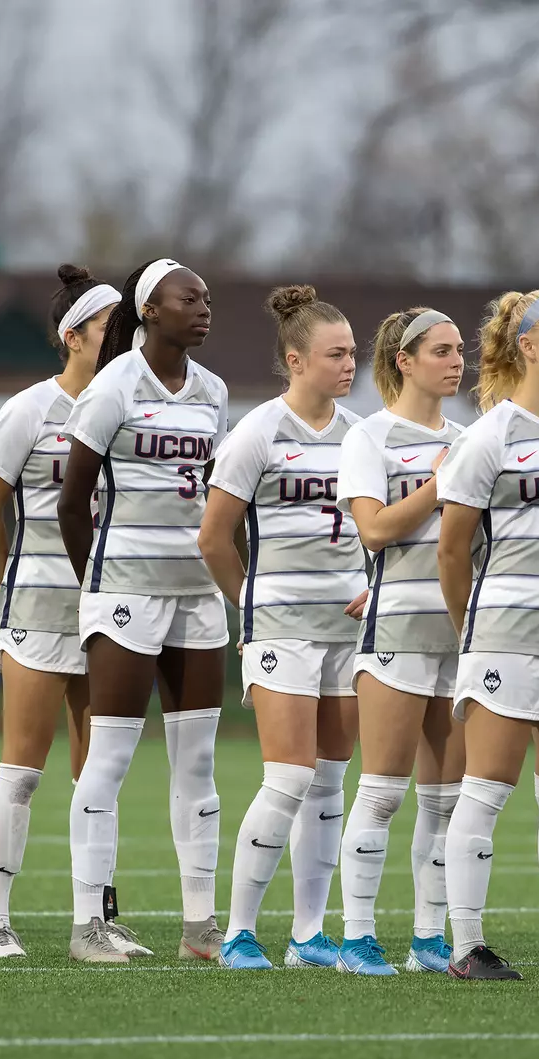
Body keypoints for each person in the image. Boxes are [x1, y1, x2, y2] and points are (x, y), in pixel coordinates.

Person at [58, 258, 230, 963]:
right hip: (126, 592)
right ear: (150, 310)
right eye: (189, 298)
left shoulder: (214, 391)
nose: (203, 307)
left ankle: (200, 927)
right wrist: (96, 587)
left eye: (207, 298)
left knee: (199, 762)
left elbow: (218, 499)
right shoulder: (113, 386)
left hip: (197, 593)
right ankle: (87, 926)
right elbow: (72, 503)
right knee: (110, 757)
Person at [436, 290, 539, 981]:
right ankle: (466, 945)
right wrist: (472, 634)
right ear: (528, 347)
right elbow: (452, 551)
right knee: (486, 789)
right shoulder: (490, 436)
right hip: (507, 634)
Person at [198, 285, 363, 970]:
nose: (349, 365)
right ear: (295, 360)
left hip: (347, 632)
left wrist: (376, 587)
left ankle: (308, 935)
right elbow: (214, 538)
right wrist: (252, 608)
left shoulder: (362, 436)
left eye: (352, 353)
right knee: (289, 777)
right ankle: (239, 932)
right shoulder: (257, 433)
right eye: (335, 354)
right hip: (281, 629)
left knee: (329, 782)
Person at [0, 264, 121, 959]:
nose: (121, 338)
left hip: (112, 609)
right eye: (109, 327)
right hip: (38, 604)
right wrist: (12, 585)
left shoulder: (130, 407)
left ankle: (94, 923)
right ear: (72, 336)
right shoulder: (30, 409)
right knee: (23, 770)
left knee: (99, 773)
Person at [331, 305, 466, 977]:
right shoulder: (370, 437)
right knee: (383, 791)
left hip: (460, 636)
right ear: (404, 361)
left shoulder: (470, 438)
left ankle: (429, 941)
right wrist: (441, 485)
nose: (457, 360)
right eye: (441, 350)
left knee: (446, 801)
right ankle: (357, 939)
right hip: (397, 634)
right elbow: (376, 530)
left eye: (460, 349)